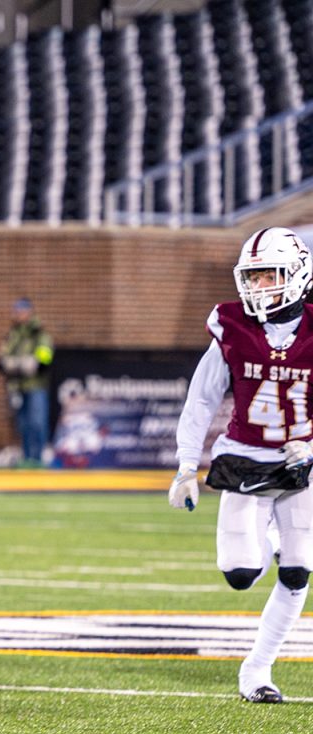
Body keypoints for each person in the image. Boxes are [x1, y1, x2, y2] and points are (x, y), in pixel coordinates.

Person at [170, 226, 313, 703]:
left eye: (269, 276)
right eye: (252, 278)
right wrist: (186, 467)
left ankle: (257, 670)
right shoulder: (231, 328)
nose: (258, 287)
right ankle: (270, 539)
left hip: (300, 466)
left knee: (297, 572)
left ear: (296, 273)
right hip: (246, 460)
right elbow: (200, 401)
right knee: (240, 574)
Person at [0, 298, 54, 465]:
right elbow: (1, 359)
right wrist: (13, 364)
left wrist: (32, 362)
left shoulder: (39, 333)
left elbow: (45, 358)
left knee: (37, 421)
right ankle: (27, 456)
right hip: (17, 386)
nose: (19, 315)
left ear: (29, 312)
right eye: (16, 311)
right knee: (22, 424)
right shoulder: (13, 334)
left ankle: (38, 457)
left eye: (22, 311)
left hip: (35, 385)